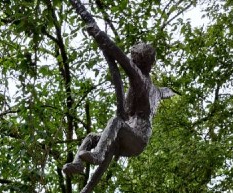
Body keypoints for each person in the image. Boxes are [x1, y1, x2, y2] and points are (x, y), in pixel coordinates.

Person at [63, 0, 175, 175]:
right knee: (92, 137)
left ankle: (98, 154)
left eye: (133, 58)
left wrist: (99, 35)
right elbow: (166, 91)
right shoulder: (156, 90)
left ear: (138, 61)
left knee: (116, 122)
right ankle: (78, 164)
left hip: (137, 137)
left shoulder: (139, 78)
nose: (131, 61)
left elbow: (117, 54)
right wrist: (171, 92)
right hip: (133, 133)